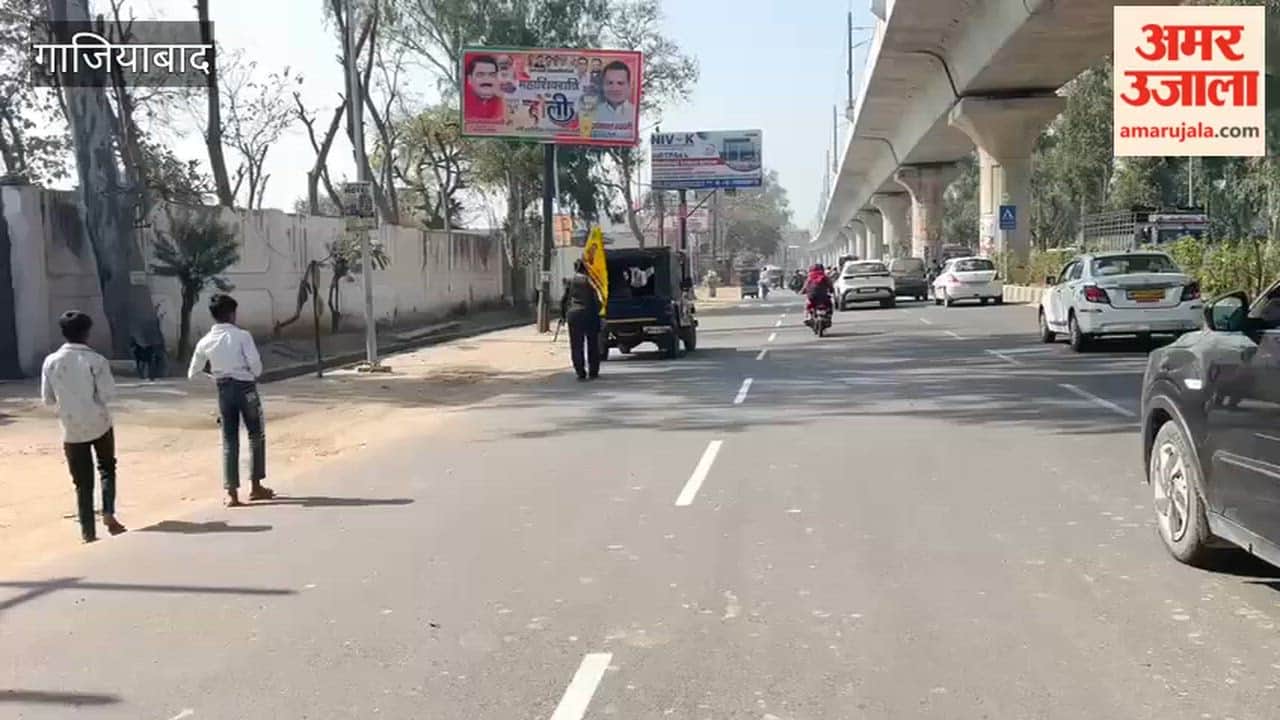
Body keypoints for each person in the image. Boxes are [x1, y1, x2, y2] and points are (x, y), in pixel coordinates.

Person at [41, 310, 126, 543]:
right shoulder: (96, 360)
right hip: (99, 422)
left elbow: (47, 399)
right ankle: (108, 513)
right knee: (107, 468)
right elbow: (108, 394)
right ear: (88, 332)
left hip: (71, 427)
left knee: (82, 481)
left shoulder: (51, 362)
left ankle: (88, 532)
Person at [187, 294, 275, 507]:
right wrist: (247, 372)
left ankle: (232, 493)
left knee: (229, 439)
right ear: (232, 314)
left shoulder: (206, 341)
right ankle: (255, 486)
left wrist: (215, 377)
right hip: (246, 388)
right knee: (255, 434)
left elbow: (193, 373)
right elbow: (257, 367)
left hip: (223, 388)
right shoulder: (242, 336)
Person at [560, 260, 602, 381]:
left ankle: (580, 371)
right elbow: (596, 300)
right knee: (592, 344)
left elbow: (564, 300)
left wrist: (563, 316)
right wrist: (600, 313)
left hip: (574, 315)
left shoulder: (569, 281)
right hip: (590, 314)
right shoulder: (591, 281)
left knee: (576, 345)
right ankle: (593, 371)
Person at [463, 54, 505, 123]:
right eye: (480, 75)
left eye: (492, 75)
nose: (487, 80)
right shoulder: (465, 105)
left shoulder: (505, 105)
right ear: (469, 79)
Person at [592, 60, 635, 126]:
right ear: (603, 85)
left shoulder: (634, 113)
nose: (615, 88)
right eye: (610, 83)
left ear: (629, 86)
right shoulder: (592, 114)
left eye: (620, 83)